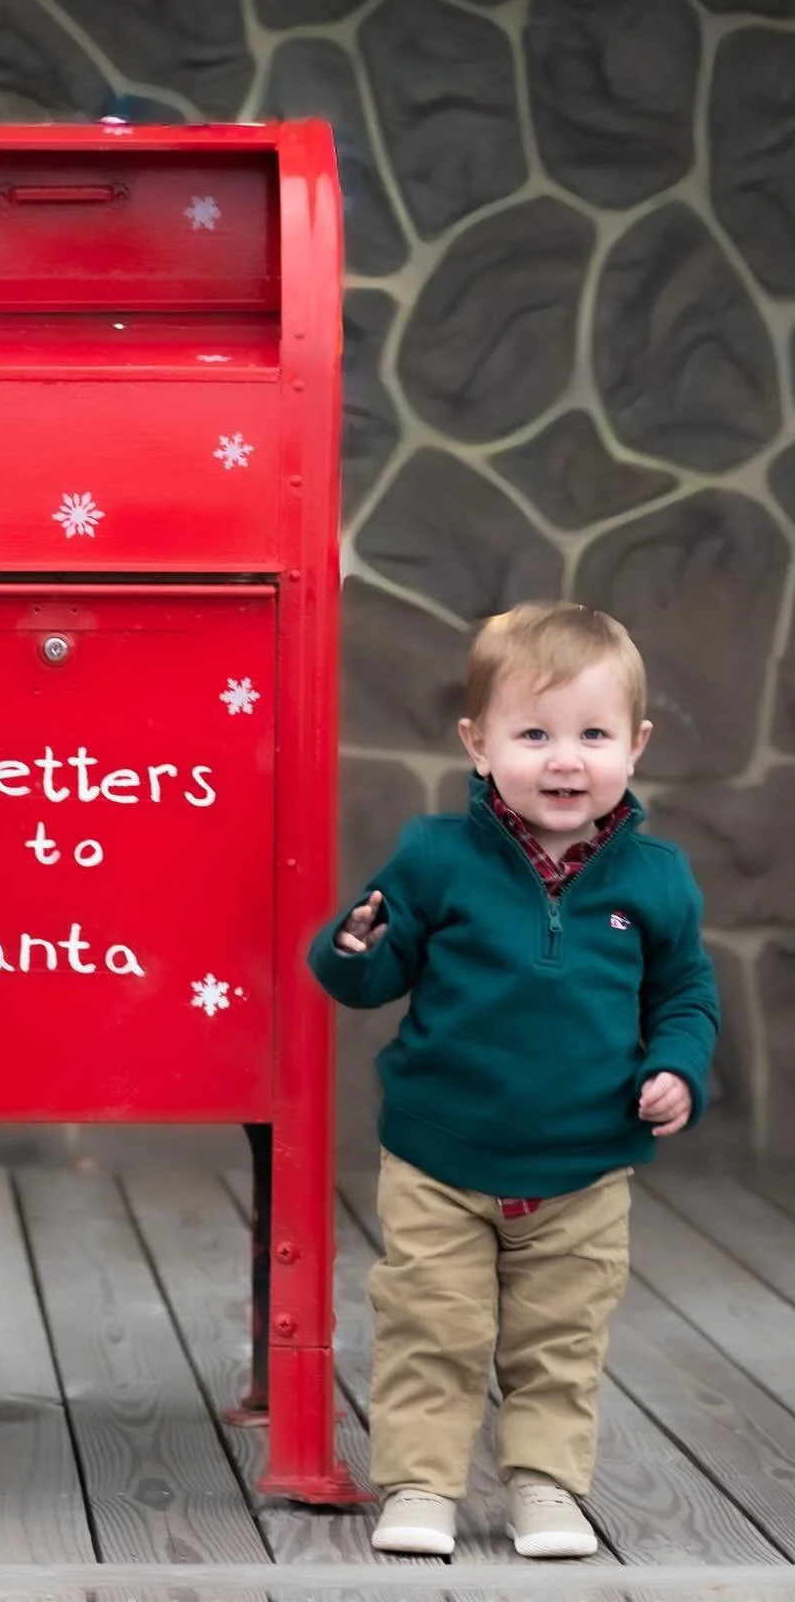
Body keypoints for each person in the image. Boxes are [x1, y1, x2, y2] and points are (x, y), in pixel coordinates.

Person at [310, 601, 717, 1561]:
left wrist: (676, 1068)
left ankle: (546, 1487)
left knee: (559, 1342)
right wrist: (353, 947)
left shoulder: (657, 882)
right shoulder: (436, 858)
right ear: (478, 743)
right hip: (440, 1156)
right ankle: (420, 1483)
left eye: (592, 734)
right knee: (431, 1327)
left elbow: (687, 996)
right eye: (533, 733)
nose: (564, 759)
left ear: (636, 746)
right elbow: (374, 970)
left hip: (582, 1174)